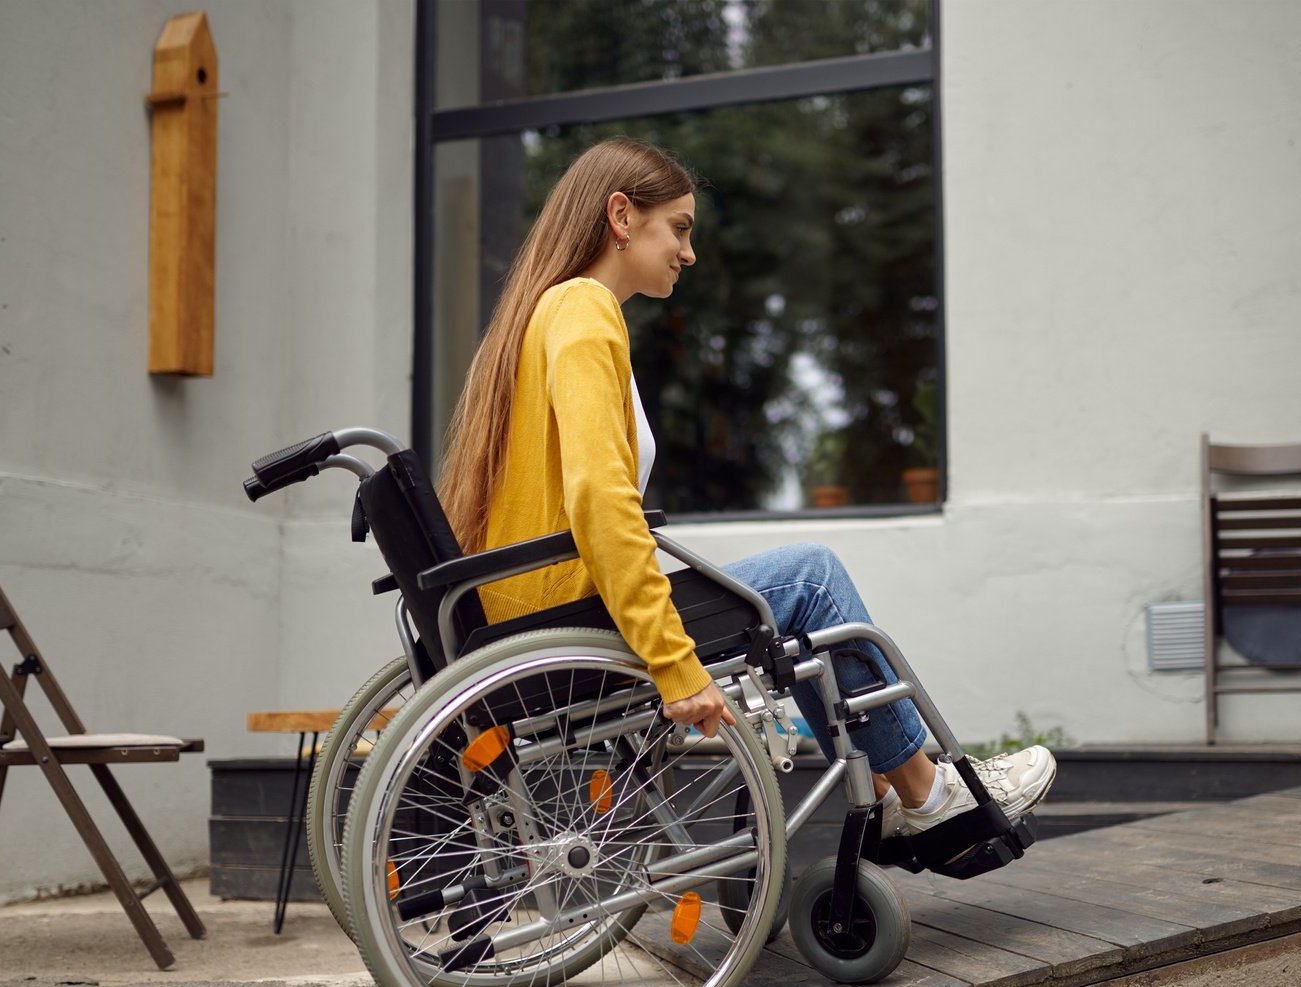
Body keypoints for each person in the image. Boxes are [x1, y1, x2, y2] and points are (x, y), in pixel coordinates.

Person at [437, 137, 1056, 838]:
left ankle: (894, 786)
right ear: (620, 216)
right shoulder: (581, 309)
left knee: (795, 597)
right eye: (678, 227)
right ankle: (925, 793)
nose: (688, 251)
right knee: (811, 579)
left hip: (539, 617)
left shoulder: (545, 312)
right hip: (575, 620)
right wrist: (674, 666)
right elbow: (599, 501)